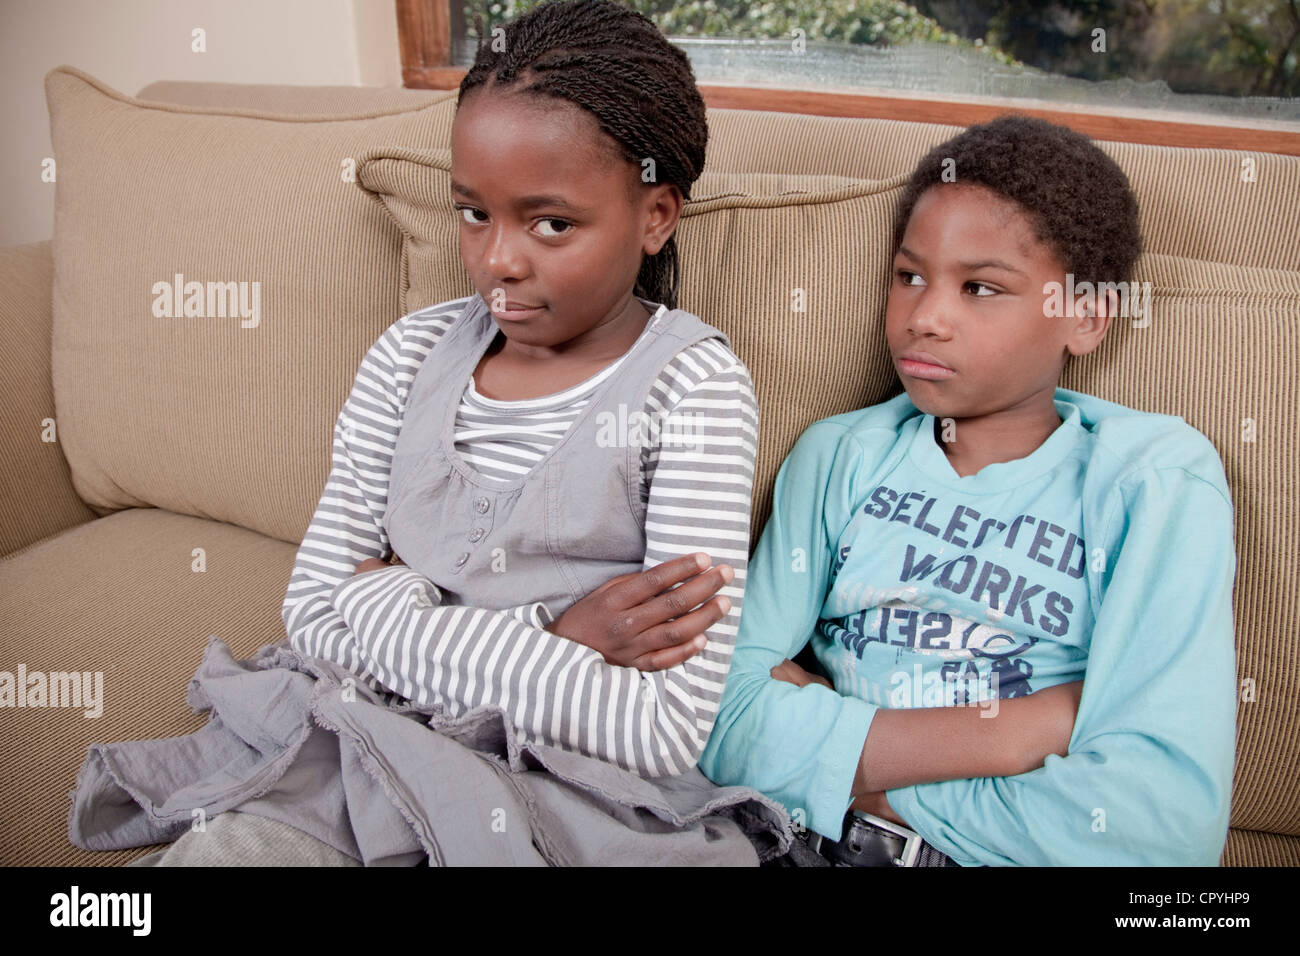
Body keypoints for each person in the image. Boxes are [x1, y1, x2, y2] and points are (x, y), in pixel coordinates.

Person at [98, 0, 767, 866]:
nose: (498, 261)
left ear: (657, 216)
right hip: (360, 745)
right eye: (472, 213)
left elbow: (661, 727)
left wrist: (380, 605)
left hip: (568, 791)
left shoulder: (694, 389)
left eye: (551, 223)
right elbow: (311, 617)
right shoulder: (410, 353)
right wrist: (556, 639)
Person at [698, 115, 1237, 867]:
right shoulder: (839, 456)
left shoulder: (1152, 481)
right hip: (797, 845)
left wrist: (853, 768)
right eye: (909, 276)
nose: (924, 318)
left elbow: (1157, 833)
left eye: (981, 287)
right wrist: (1023, 731)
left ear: (1085, 315)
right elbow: (713, 718)